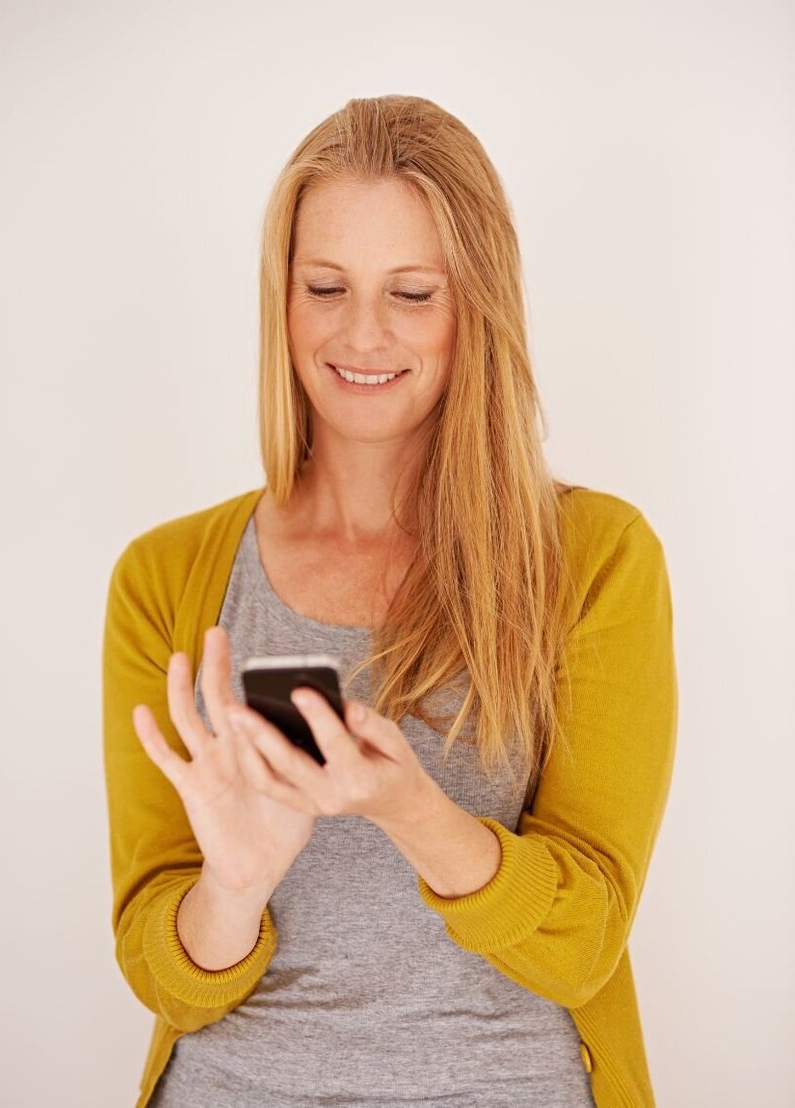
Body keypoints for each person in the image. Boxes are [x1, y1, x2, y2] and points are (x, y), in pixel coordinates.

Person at [102, 95, 678, 1108]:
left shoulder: (596, 559)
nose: (360, 332)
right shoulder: (164, 578)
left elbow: (583, 941)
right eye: (324, 285)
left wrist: (412, 812)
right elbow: (162, 978)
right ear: (279, 300)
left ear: (477, 305)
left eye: (412, 292)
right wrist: (233, 882)